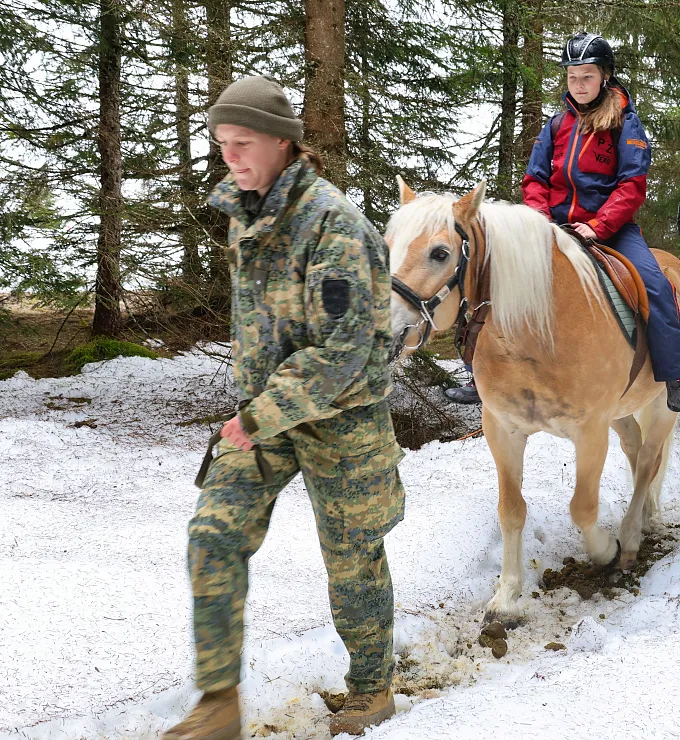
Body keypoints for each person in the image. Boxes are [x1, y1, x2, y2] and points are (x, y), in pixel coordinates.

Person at [164, 76, 404, 739]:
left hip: (339, 418)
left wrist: (255, 416)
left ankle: (371, 688)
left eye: (242, 143)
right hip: (265, 416)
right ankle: (219, 703)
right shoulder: (246, 214)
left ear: (282, 141)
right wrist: (257, 412)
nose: (230, 157)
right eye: (221, 145)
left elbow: (343, 352)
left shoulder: (335, 226)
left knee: (352, 559)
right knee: (212, 533)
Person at [522, 31, 680, 416]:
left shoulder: (625, 123)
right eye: (572, 77)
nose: (579, 84)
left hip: (612, 228)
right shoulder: (556, 125)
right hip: (554, 225)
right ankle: (484, 371)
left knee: (654, 284)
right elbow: (535, 180)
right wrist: (541, 223)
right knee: (500, 272)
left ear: (604, 76)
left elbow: (631, 185)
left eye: (586, 76)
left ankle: (678, 378)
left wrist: (599, 225)